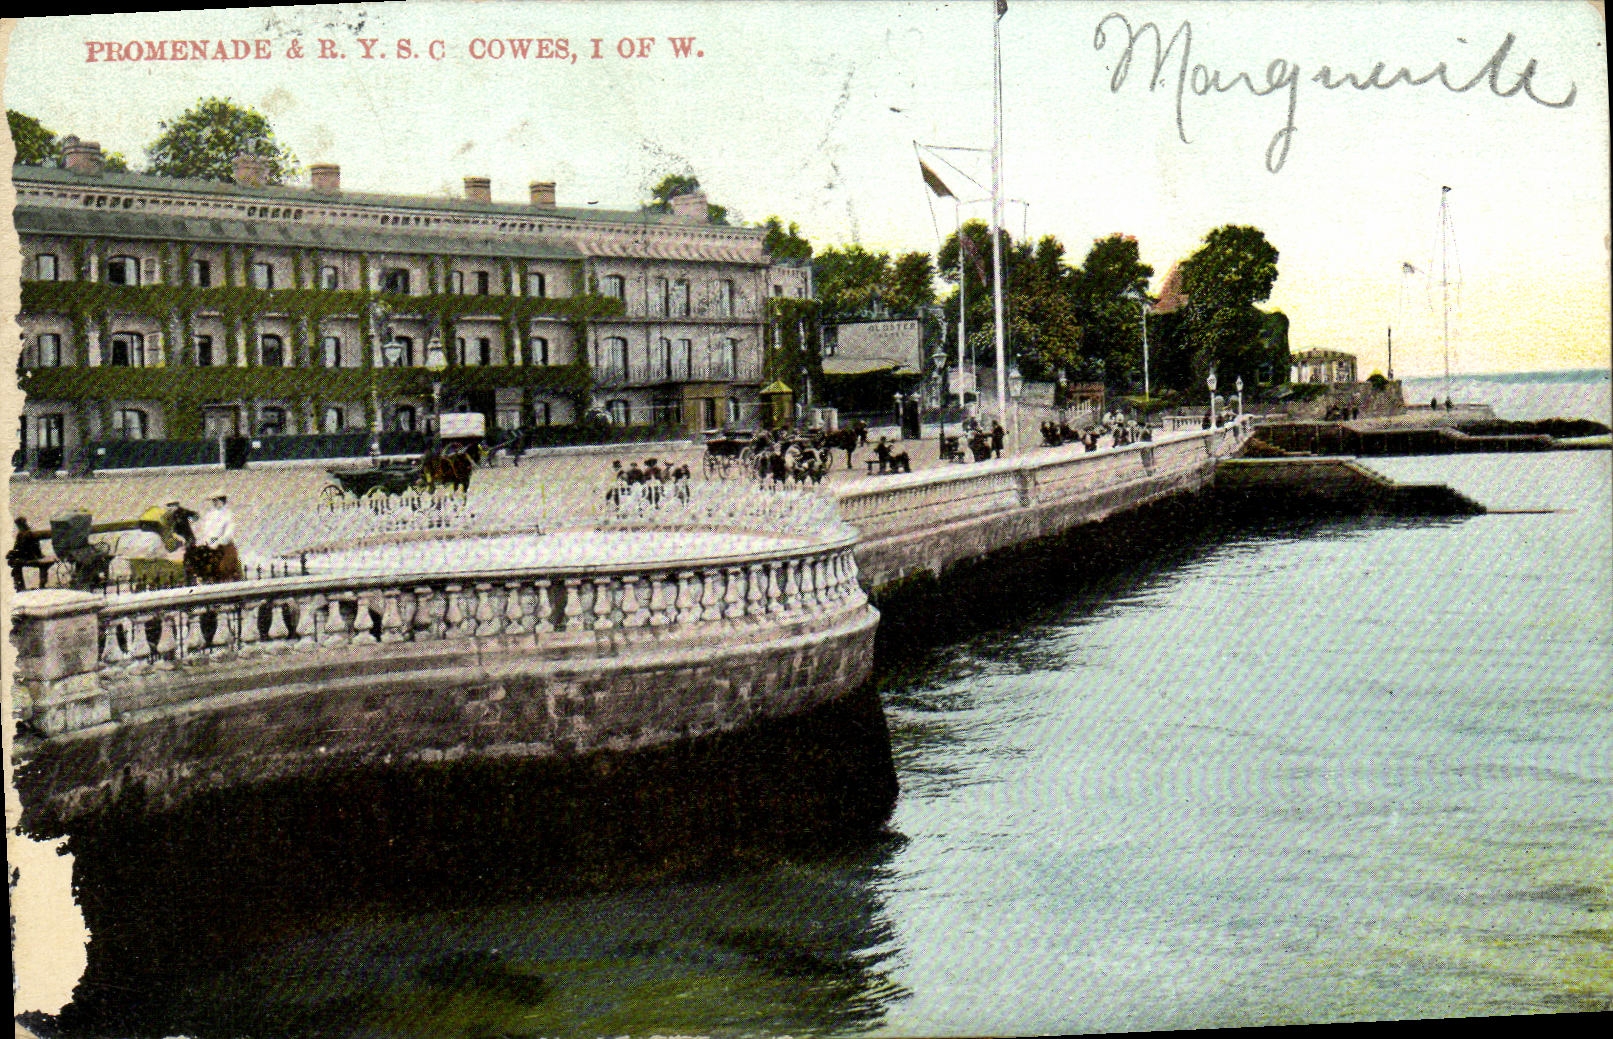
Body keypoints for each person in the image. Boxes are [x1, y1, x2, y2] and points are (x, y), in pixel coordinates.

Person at [191, 490, 243, 583]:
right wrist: (207, 542)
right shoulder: (210, 515)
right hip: (210, 544)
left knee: (225, 566)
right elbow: (206, 531)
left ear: (222, 501)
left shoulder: (229, 514)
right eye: (214, 501)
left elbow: (229, 533)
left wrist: (218, 542)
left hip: (224, 545)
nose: (215, 503)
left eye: (216, 501)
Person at [8, 516, 50, 591]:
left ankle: (20, 587)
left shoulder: (24, 534)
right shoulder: (23, 534)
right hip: (30, 558)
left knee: (15, 564)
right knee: (15, 564)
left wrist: (13, 554)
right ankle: (40, 586)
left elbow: (19, 549)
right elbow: (18, 548)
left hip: (29, 558)